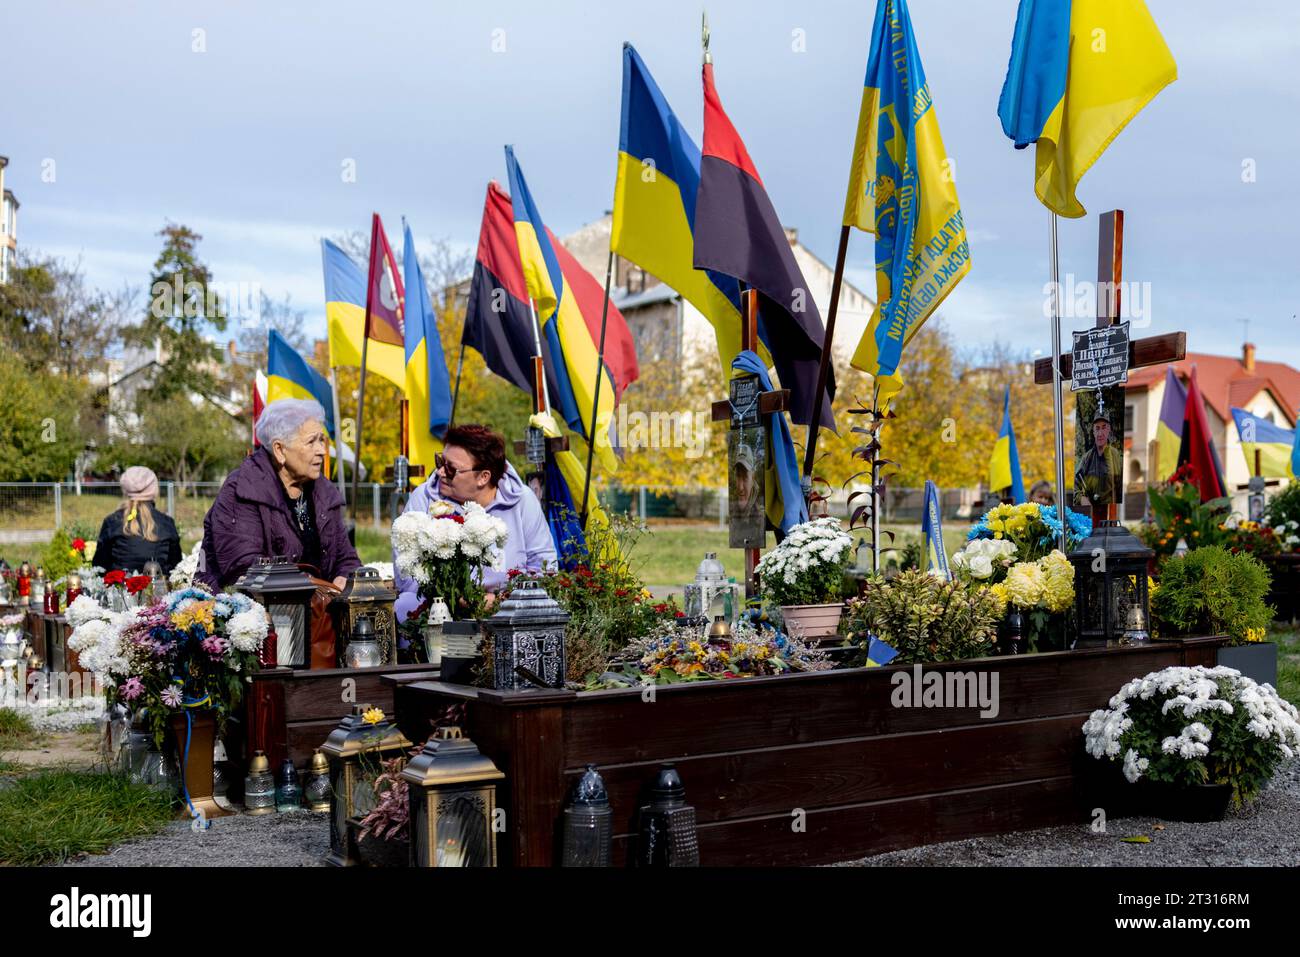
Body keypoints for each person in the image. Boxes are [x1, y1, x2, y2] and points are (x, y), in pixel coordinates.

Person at [393, 424, 556, 623]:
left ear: (483, 477)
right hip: (439, 605)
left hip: (510, 609)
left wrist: (502, 600)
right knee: (406, 604)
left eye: (451, 468)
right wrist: (451, 596)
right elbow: (406, 572)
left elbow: (544, 567)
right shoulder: (423, 498)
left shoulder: (523, 501)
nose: (441, 472)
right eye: (440, 461)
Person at [196, 398, 360, 591]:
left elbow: (346, 557)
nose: (321, 451)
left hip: (318, 612)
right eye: (311, 442)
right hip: (247, 613)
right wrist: (312, 589)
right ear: (279, 450)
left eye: (321, 440)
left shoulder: (323, 492)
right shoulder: (242, 489)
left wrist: (344, 577)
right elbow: (243, 569)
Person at [94, 466, 182, 575]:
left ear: (125, 488)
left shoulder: (112, 522)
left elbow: (99, 566)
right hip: (158, 589)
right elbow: (175, 565)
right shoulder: (166, 523)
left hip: (120, 589)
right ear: (154, 489)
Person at [1075, 414, 1124, 507]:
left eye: (1103, 428)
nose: (1100, 433)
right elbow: (1076, 484)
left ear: (1109, 430)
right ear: (1093, 432)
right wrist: (1081, 499)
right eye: (1097, 428)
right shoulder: (1087, 458)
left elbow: (1121, 489)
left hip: (1110, 509)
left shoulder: (1116, 456)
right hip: (1090, 511)